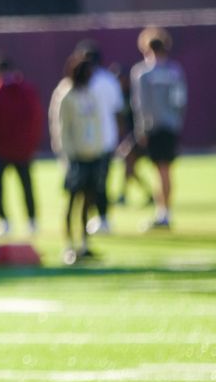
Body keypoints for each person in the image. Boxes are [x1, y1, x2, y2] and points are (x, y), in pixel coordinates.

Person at [0, 52, 43, 237]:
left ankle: (4, 222)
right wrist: (31, 144)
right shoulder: (28, 90)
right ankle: (32, 221)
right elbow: (36, 119)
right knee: (26, 185)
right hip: (23, 149)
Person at [49, 53, 105, 264]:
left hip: (92, 154)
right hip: (76, 157)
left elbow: (96, 123)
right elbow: (61, 128)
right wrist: (67, 156)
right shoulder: (66, 94)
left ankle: (85, 244)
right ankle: (69, 246)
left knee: (88, 202)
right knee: (72, 202)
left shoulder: (89, 94)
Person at [129, 26, 187, 229]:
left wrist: (141, 129)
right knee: (166, 171)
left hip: (153, 127)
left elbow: (140, 105)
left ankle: (162, 213)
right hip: (170, 126)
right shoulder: (174, 71)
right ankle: (165, 211)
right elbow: (180, 101)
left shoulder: (142, 73)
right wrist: (176, 121)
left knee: (159, 171)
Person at [73, 39, 124, 235]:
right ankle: (100, 218)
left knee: (93, 183)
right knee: (100, 181)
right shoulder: (108, 80)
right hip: (105, 139)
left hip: (90, 140)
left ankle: (99, 218)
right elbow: (118, 112)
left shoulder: (94, 81)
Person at [111, 61, 153, 207]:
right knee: (128, 164)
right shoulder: (119, 95)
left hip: (143, 134)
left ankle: (125, 194)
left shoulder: (135, 93)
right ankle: (138, 194)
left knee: (128, 160)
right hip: (133, 135)